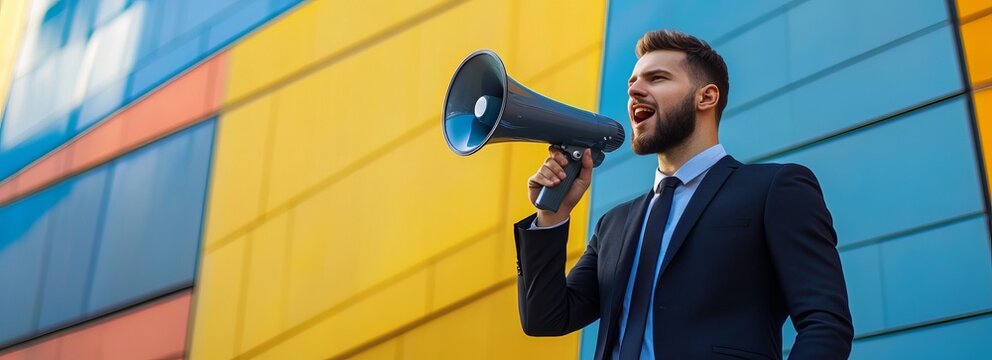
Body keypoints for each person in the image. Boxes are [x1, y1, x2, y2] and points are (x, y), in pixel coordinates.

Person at [513, 29, 854, 360]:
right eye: (632, 84)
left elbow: (825, 324)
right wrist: (551, 217)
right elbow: (546, 319)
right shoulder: (613, 225)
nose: (635, 92)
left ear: (706, 97)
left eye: (657, 78)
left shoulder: (774, 189)